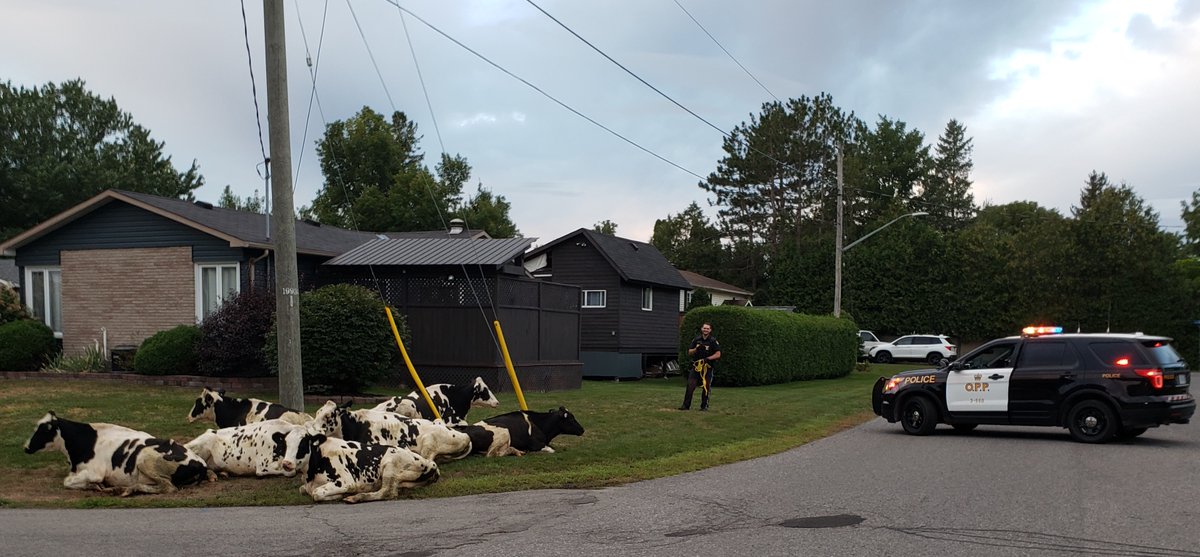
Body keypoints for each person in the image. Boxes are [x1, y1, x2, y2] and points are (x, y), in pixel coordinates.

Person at [679, 322, 721, 411]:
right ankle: (686, 406)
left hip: (707, 367)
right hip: (696, 366)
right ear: (701, 329)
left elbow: (718, 354)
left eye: (707, 328)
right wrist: (696, 349)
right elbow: (689, 352)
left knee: (706, 387)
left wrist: (708, 359)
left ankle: (704, 406)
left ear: (710, 330)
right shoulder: (696, 339)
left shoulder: (713, 341)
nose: (705, 330)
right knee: (690, 385)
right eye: (704, 328)